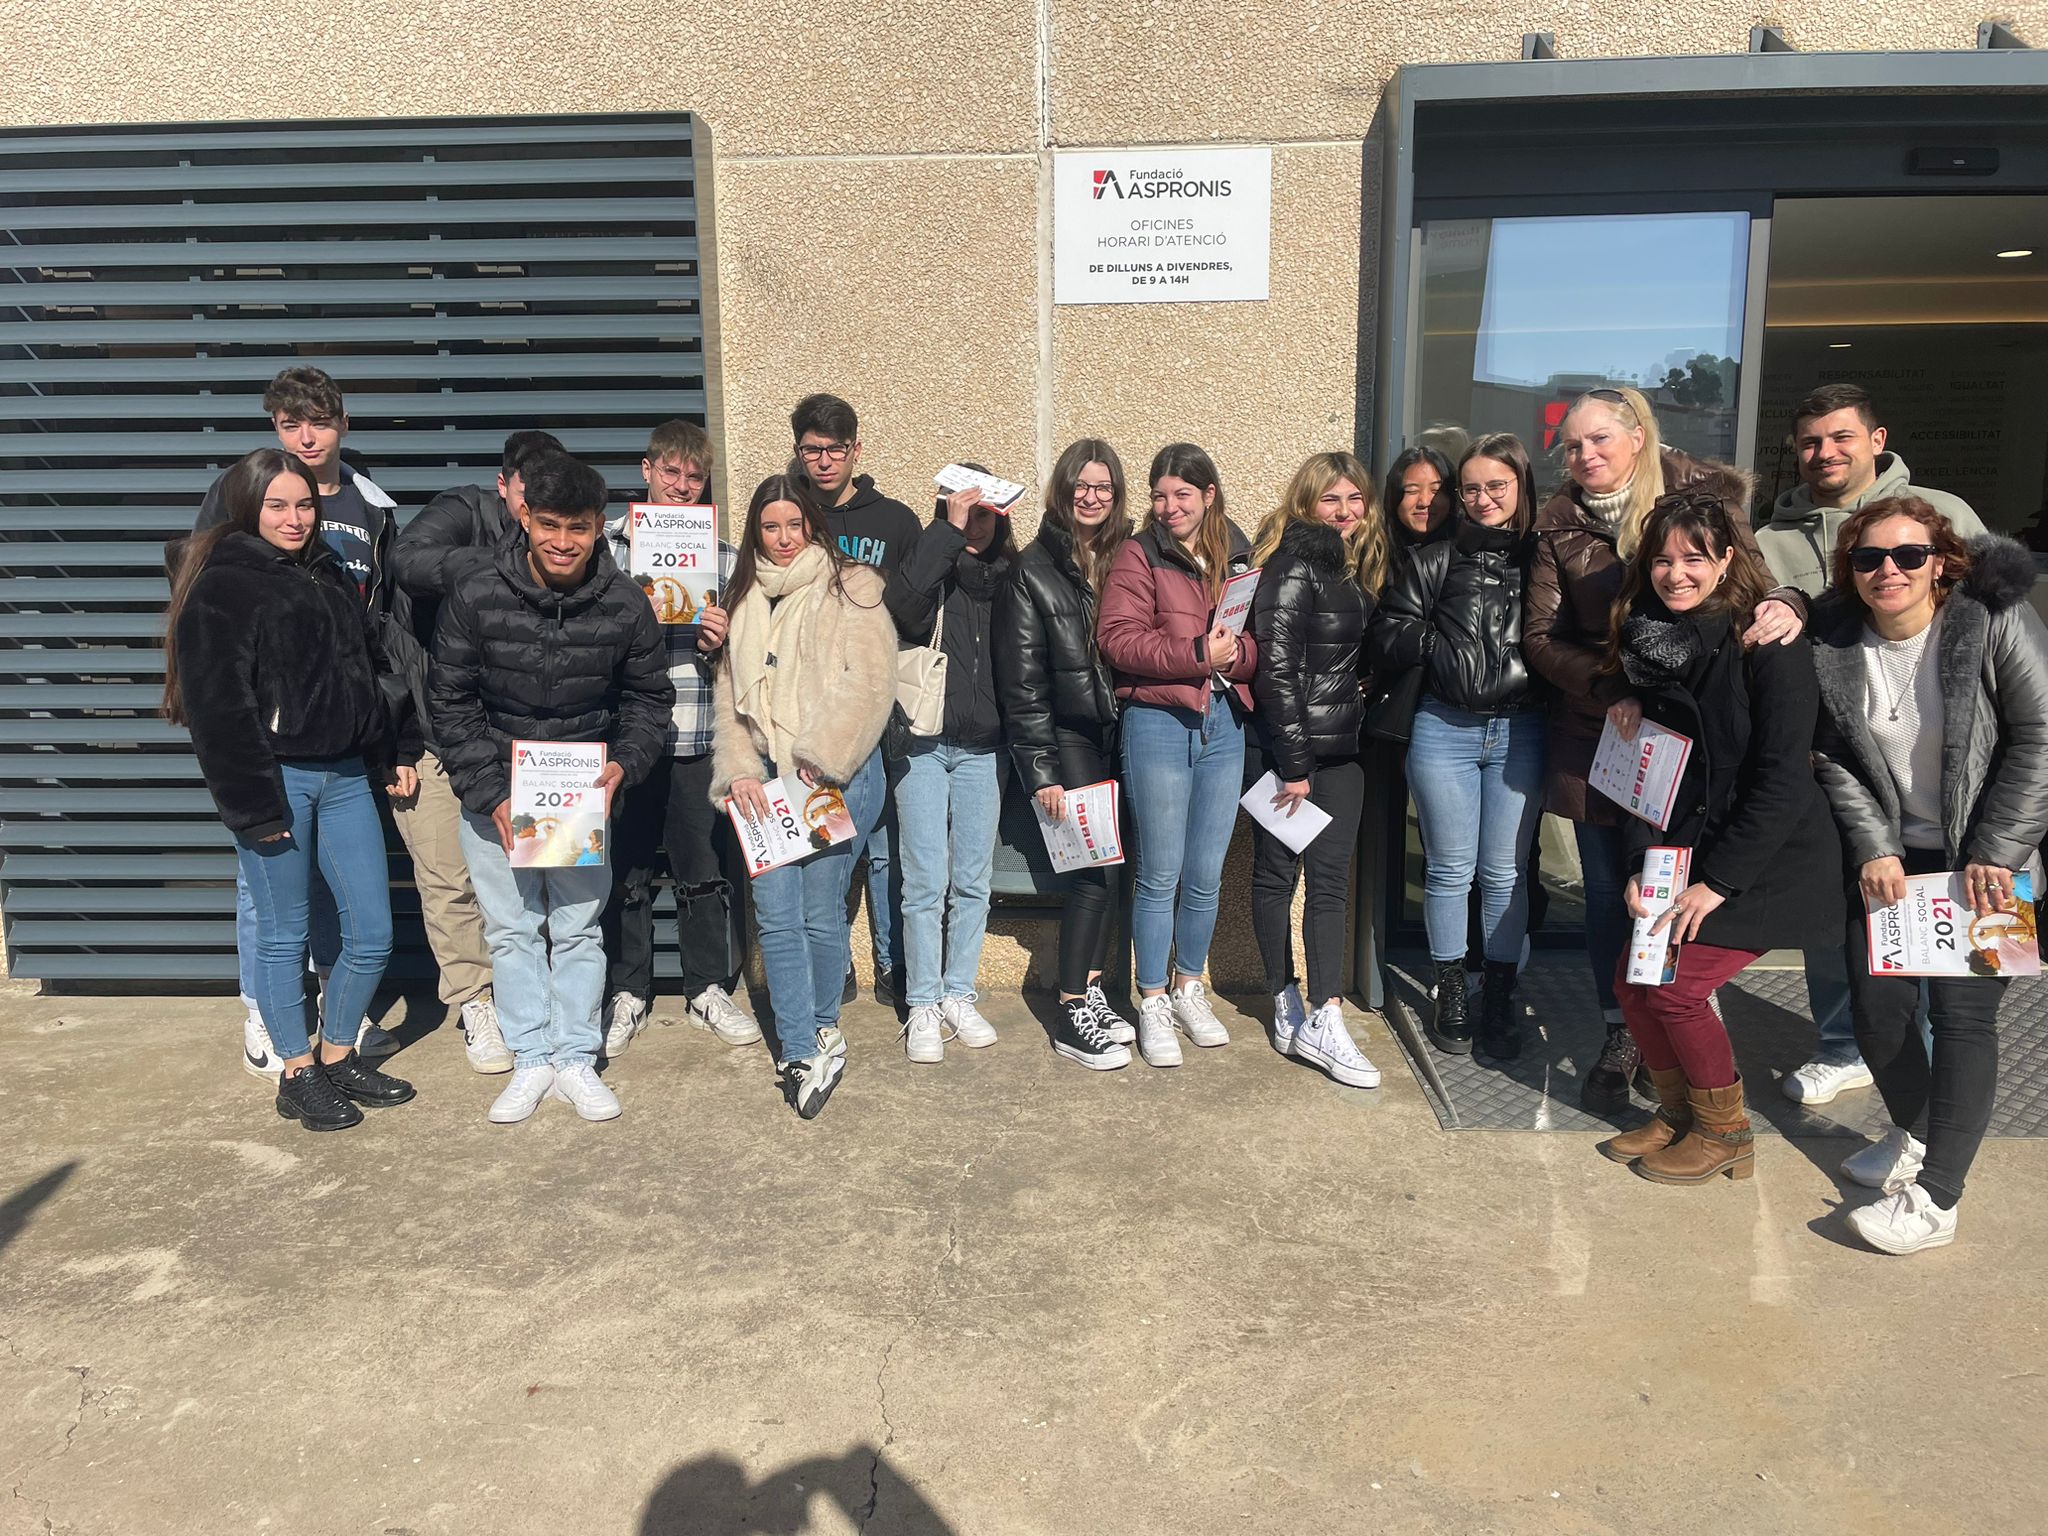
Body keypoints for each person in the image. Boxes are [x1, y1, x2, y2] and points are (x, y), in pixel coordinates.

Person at [1522, 385, 1805, 1109]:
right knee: (1612, 893)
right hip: (1609, 732)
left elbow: (1756, 587)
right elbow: (1541, 638)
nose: (1585, 455)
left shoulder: (1702, 499)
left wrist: (1792, 602)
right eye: (1572, 445)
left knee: (1685, 888)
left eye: (1599, 439)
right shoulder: (1556, 524)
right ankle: (1626, 1032)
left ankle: (1681, 1020)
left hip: (1701, 736)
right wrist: (1610, 684)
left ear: (1638, 437)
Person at [1811, 503, 2048, 1253]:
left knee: (1963, 1019)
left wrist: (1997, 850)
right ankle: (1915, 1135)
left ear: (1940, 561)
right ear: (1850, 570)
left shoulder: (1991, 620)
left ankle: (1938, 1197)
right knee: (1877, 1013)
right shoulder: (1836, 640)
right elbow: (1834, 755)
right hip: (1893, 862)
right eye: (1869, 558)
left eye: (1909, 555)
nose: (1889, 570)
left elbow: (2040, 735)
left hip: (1989, 859)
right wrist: (1874, 845)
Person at [1595, 490, 1844, 1183]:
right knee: (1634, 980)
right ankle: (1679, 1114)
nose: (1676, 574)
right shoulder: (1648, 649)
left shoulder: (1768, 644)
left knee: (1677, 990)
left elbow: (1783, 780)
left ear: (1727, 559)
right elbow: (1650, 776)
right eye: (1662, 560)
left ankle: (1726, 1133)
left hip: (1768, 859)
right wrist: (1643, 866)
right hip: (1686, 848)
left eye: (1694, 559)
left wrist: (1719, 883)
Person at [165, 449, 414, 1131]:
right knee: (283, 936)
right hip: (278, 780)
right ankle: (296, 1072)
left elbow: (365, 672)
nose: (295, 518)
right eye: (277, 505)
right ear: (248, 508)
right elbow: (219, 710)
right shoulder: (222, 586)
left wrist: (386, 748)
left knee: (372, 930)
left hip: (345, 777)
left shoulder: (328, 573)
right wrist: (252, 806)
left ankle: (337, 1055)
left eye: (305, 504)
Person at [1759, 384, 1992, 1109]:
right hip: (1841, 771)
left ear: (1876, 439)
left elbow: (2000, 636)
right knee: (1842, 931)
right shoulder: (1770, 541)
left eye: (1840, 437)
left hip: (1948, 778)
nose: (1824, 452)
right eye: (1810, 441)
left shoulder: (1943, 512)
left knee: (1954, 969)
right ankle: (1842, 1047)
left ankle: (1933, 1100)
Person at [431, 452, 674, 1125]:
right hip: (497, 793)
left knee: (576, 930)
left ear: (599, 527)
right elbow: (449, 700)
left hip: (577, 797)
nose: (563, 542)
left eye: (578, 527)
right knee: (510, 930)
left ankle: (574, 1058)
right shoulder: (476, 593)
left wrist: (625, 764)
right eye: (549, 525)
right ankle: (531, 1057)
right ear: (525, 518)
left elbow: (650, 700)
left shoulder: (625, 603)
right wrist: (491, 792)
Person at [710, 470, 897, 1120]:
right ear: (756, 532)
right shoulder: (743, 596)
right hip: (763, 777)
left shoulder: (853, 587)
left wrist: (822, 757)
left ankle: (822, 1030)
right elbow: (730, 700)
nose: (784, 537)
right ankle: (797, 1049)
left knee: (820, 912)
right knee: (775, 914)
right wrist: (738, 769)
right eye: (771, 526)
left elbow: (869, 683)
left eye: (795, 524)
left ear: (813, 525)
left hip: (831, 770)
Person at [387, 428, 569, 1072]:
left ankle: (538, 999)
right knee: (448, 881)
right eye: (525, 491)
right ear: (502, 485)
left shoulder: (561, 538)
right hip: (436, 738)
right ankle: (475, 1002)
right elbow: (408, 559)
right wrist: (496, 568)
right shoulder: (464, 511)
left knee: (535, 877)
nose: (534, 505)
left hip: (520, 743)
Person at [1370, 434, 1545, 1059]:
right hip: (1444, 728)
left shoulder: (1541, 557)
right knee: (1448, 869)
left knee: (1504, 871)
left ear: (1521, 485)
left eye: (1497, 485)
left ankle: (1498, 992)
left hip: (1521, 729)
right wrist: (1444, 651)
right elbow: (1388, 631)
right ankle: (1451, 991)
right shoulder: (1436, 559)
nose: (1483, 498)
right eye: (1471, 488)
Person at [597, 419, 756, 1057]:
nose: (683, 486)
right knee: (625, 872)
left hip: (696, 734)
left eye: (695, 476)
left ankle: (707, 988)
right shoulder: (606, 550)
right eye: (671, 472)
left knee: (704, 872)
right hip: (623, 743)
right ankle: (627, 990)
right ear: (647, 471)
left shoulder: (722, 557)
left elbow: (750, 662)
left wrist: (723, 642)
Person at [1097, 443, 1256, 1068]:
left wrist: (1235, 658)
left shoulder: (1236, 553)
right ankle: (1153, 998)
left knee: (1206, 873)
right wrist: (1197, 656)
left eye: (1182, 495)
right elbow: (1118, 640)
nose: (1169, 507)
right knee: (1160, 872)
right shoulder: (1139, 554)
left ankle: (1190, 986)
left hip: (1225, 723)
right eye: (1160, 496)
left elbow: (1254, 642)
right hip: (1159, 722)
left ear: (1208, 495)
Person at [993, 439, 1135, 1070]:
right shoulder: (1032, 568)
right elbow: (1021, 683)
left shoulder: (1129, 555)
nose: (1092, 497)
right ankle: (1071, 1011)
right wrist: (1041, 770)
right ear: (1062, 490)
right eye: (1082, 485)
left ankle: (1092, 989)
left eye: (1103, 487)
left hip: (1124, 732)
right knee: (1092, 871)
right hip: (1069, 736)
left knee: (1117, 872)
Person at [1248, 451, 1381, 1088]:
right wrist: (1295, 765)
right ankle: (1285, 995)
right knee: (1277, 876)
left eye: (1355, 499)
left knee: (1330, 885)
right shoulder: (1295, 563)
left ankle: (1326, 1015)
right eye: (1332, 499)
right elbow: (1275, 670)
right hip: (1291, 757)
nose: (1345, 511)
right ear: (1307, 503)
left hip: (1342, 753)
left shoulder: (1352, 565)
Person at [790, 392, 922, 1008]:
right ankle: (834, 963)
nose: (823, 461)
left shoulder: (894, 521)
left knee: (886, 846)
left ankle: (893, 964)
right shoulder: (789, 517)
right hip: (811, 714)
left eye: (834, 450)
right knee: (826, 846)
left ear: (855, 451)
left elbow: (917, 609)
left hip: (880, 707)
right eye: (811, 450)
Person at [883, 470, 1014, 1063]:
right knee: (924, 881)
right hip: (924, 742)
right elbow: (901, 609)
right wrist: (947, 532)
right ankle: (923, 1003)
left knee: (972, 882)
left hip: (986, 747)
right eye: (965, 511)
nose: (975, 523)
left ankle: (959, 992)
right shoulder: (929, 563)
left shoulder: (1011, 575)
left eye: (985, 513)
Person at [1380, 445, 1455, 563]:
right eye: (1412, 491)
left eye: (1436, 491)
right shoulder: (1373, 554)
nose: (1424, 502)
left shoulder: (1467, 556)